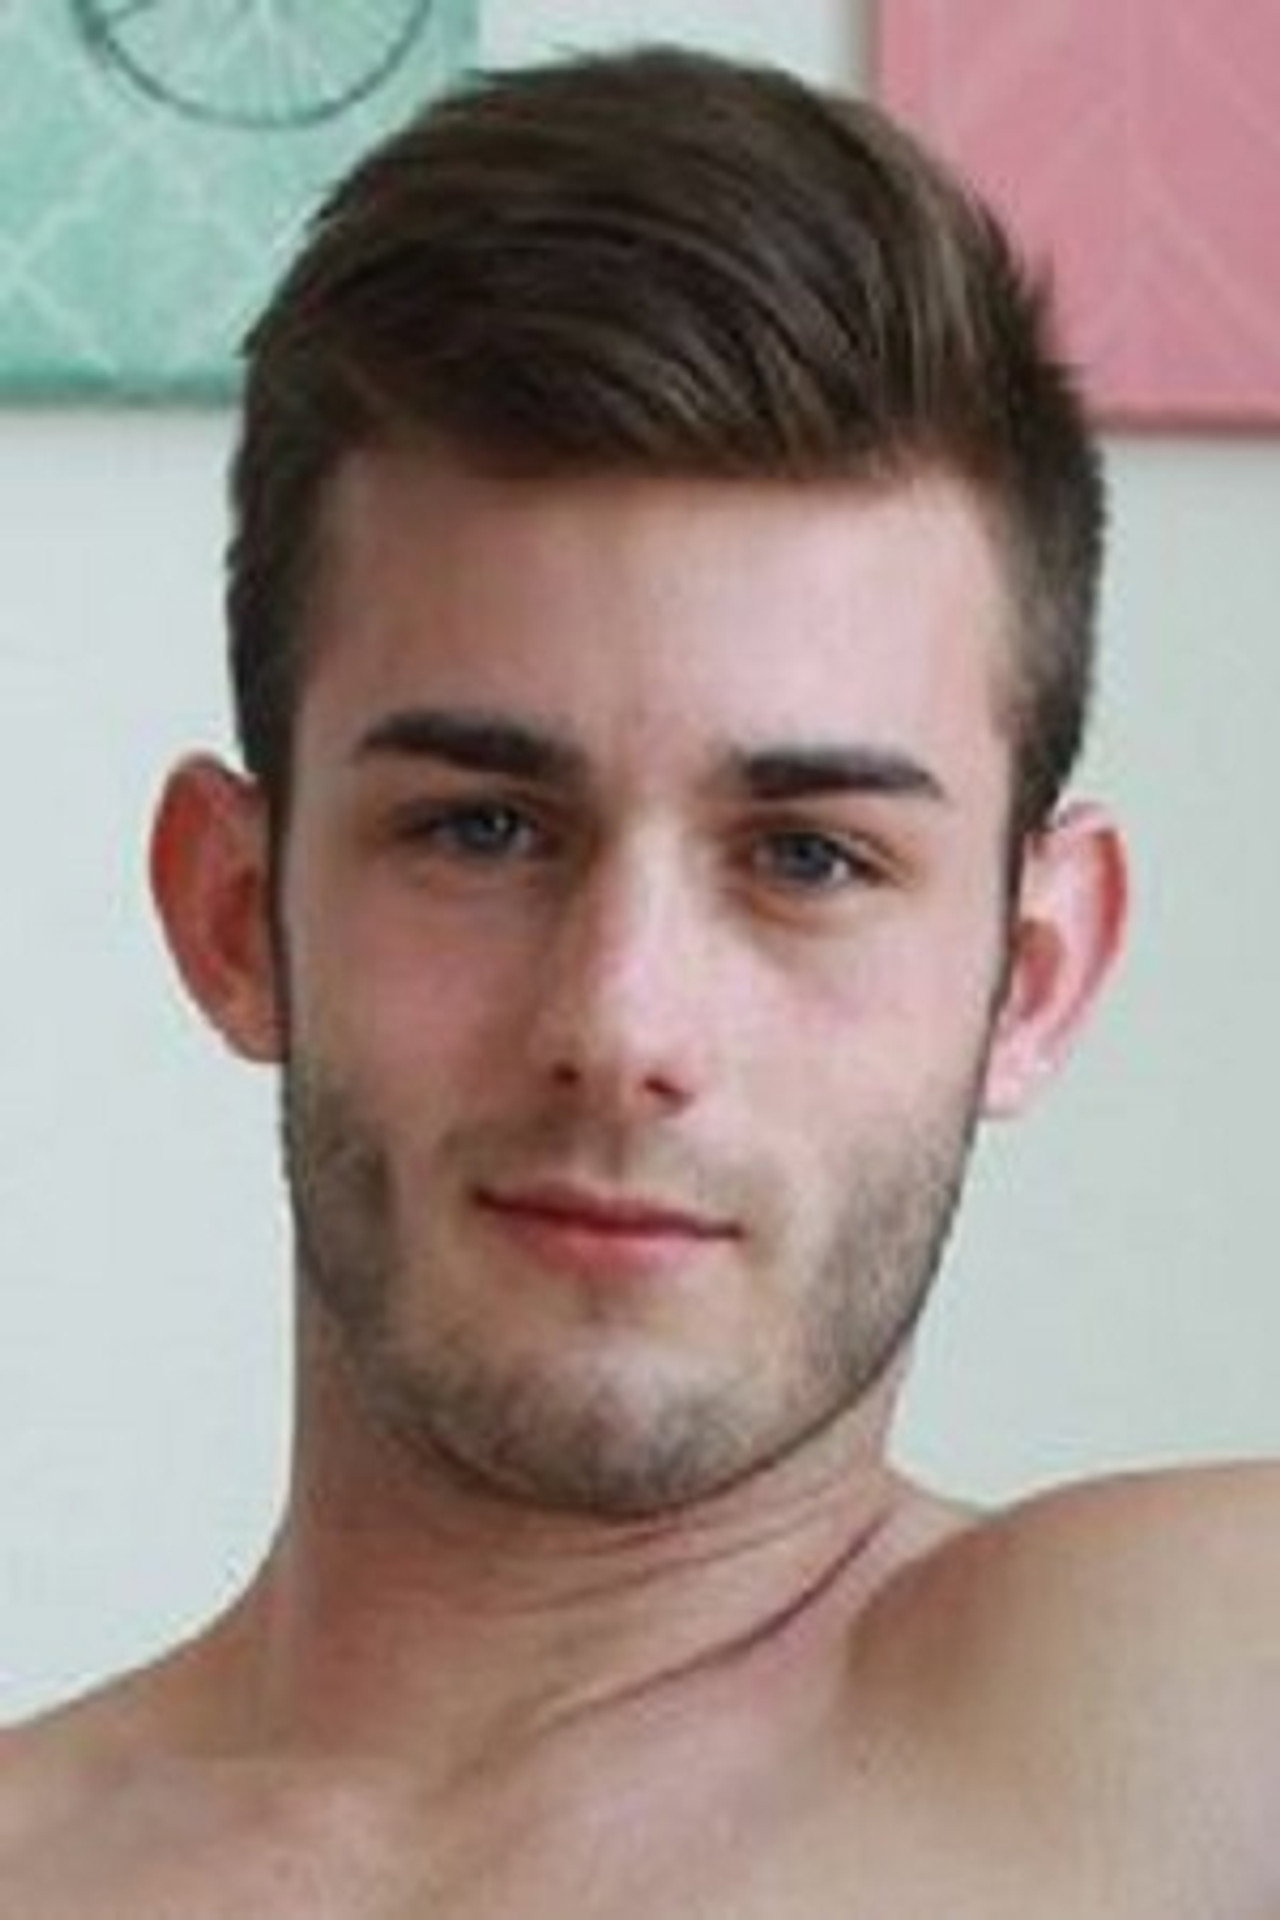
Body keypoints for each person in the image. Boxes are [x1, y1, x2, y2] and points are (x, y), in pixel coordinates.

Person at [3, 42, 1275, 1916]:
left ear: (1031, 975)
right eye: (483, 831)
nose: (620, 1027)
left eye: (809, 857)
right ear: (232, 911)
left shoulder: (1211, 1704)